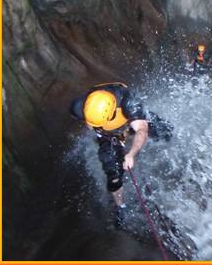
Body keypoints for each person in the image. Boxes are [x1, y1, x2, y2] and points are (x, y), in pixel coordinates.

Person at [70, 82, 172, 228]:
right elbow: (88, 122)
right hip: (109, 135)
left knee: (165, 131)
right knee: (113, 173)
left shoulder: (130, 103)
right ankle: (120, 207)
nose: (89, 127)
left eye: (94, 124)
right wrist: (116, 140)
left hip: (130, 122)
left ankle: (167, 141)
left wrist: (131, 153)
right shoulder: (80, 106)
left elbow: (142, 130)